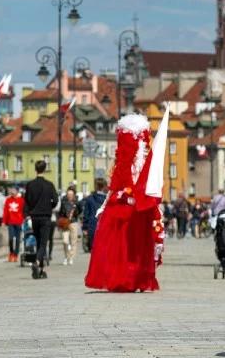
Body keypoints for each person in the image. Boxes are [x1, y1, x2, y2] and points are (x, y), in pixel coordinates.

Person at [84, 114, 165, 292]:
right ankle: (129, 277)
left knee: (130, 245)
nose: (142, 145)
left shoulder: (139, 162)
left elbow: (122, 183)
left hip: (135, 207)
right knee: (127, 245)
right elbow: (118, 184)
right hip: (129, 206)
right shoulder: (130, 163)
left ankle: (133, 277)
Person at [23, 161, 58, 279]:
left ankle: (41, 270)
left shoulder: (30, 185)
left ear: (35, 169)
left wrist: (28, 213)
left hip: (34, 217)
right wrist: (49, 207)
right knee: (44, 243)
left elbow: (26, 201)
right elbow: (56, 200)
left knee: (38, 242)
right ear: (45, 169)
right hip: (45, 216)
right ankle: (37, 262)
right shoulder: (49, 185)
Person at [80, 178, 107, 253]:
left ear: (95, 186)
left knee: (94, 251)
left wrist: (85, 228)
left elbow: (86, 215)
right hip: (105, 226)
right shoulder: (108, 199)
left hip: (92, 226)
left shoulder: (89, 199)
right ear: (104, 186)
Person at [56, 186, 80, 265]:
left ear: (73, 195)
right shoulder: (63, 202)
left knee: (73, 241)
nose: (69, 196)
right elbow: (60, 213)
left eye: (71, 195)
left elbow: (79, 212)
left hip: (73, 222)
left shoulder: (76, 202)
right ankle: (66, 256)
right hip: (65, 222)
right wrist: (59, 222)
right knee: (65, 241)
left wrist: (75, 210)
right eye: (68, 194)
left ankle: (70, 258)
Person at [2, 186, 25, 262]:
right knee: (11, 238)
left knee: (18, 239)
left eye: (13, 190)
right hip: (11, 222)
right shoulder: (8, 200)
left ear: (17, 191)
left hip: (18, 221)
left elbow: (23, 211)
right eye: (11, 190)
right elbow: (5, 211)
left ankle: (16, 254)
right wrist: (3, 221)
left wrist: (23, 219)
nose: (12, 191)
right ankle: (11, 252)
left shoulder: (21, 200)